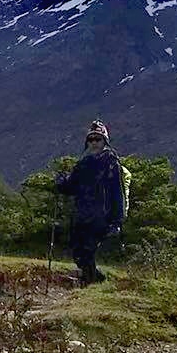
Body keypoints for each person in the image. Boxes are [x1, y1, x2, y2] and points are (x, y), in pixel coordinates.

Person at [54, 120, 125, 285]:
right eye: (91, 139)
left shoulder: (111, 163)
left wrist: (117, 220)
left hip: (100, 216)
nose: (94, 143)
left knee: (88, 251)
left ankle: (91, 284)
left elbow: (117, 192)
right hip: (81, 215)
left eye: (97, 139)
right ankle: (96, 281)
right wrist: (60, 182)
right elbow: (71, 186)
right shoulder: (83, 164)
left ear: (104, 141)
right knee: (79, 253)